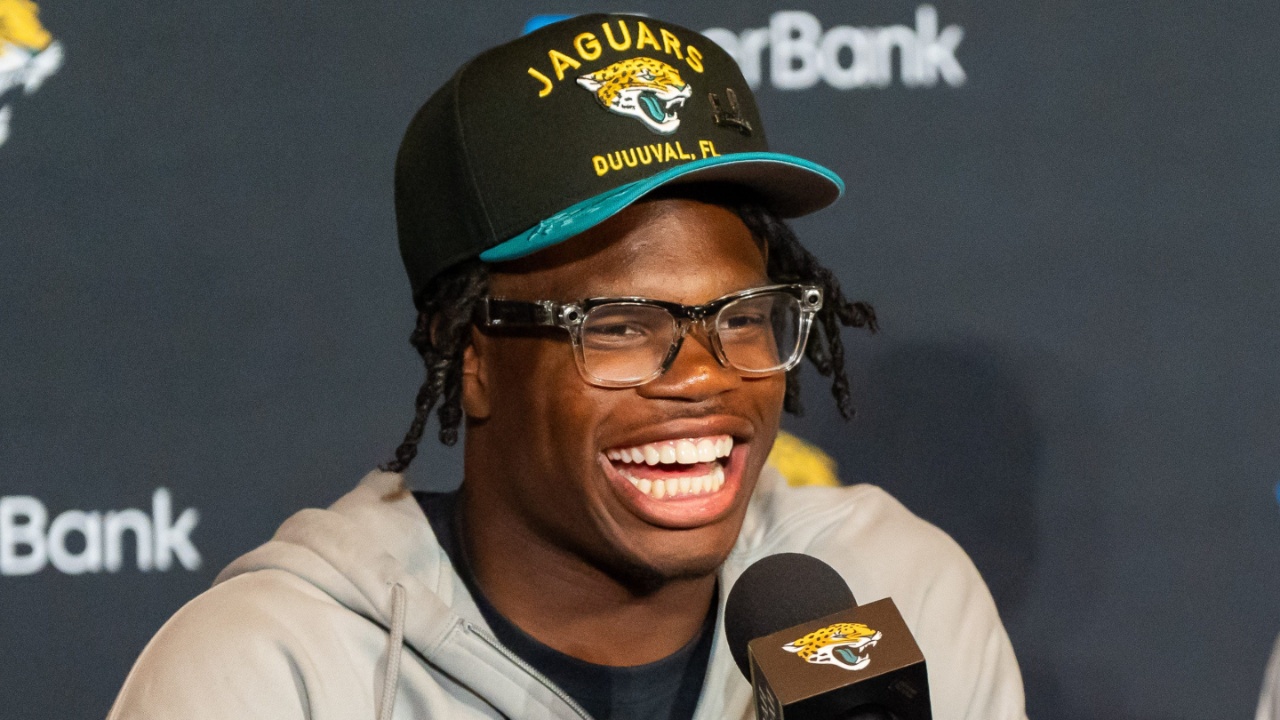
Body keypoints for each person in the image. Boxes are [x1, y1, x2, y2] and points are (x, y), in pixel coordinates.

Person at [109, 13, 1026, 720]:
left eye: (744, 317)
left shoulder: (893, 596)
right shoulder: (275, 676)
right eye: (621, 325)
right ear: (470, 355)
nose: (705, 377)